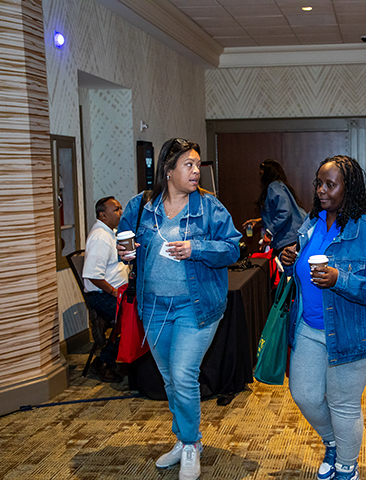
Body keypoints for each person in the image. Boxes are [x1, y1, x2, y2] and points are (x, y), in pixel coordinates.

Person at [117, 138, 241, 480]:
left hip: (196, 307)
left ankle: (190, 443)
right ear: (168, 170)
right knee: (171, 379)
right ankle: (184, 437)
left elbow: (233, 249)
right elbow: (124, 243)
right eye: (188, 164)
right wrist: (124, 251)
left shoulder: (210, 207)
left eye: (197, 164)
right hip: (154, 308)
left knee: (184, 375)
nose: (196, 170)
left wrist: (196, 248)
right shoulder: (141, 206)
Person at [280, 155, 366, 480]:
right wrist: (290, 261)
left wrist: (340, 279)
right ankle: (333, 442)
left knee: (342, 403)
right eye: (318, 183)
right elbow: (302, 272)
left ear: (349, 188)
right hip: (308, 326)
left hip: (352, 333)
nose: (321, 190)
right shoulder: (312, 222)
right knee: (304, 395)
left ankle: (347, 466)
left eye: (330, 185)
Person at [82, 196, 129, 383]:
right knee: (132, 321)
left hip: (114, 292)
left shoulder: (112, 233)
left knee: (142, 313)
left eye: (120, 208)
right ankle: (103, 362)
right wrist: (114, 292)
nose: (120, 213)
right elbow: (93, 275)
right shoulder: (100, 237)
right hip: (101, 295)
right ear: (102, 215)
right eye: (116, 210)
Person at [242, 159, 307, 253]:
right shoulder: (280, 186)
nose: (260, 178)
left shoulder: (274, 187)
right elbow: (278, 212)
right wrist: (258, 221)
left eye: (261, 174)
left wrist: (269, 233)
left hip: (288, 239)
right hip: (294, 237)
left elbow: (284, 212)